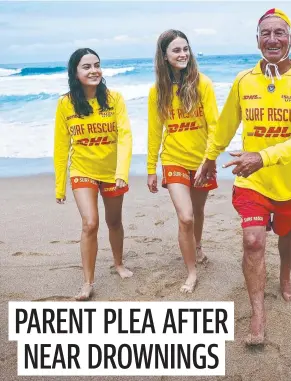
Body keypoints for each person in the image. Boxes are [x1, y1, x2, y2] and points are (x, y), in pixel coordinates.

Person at [196, 8, 291, 345]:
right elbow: (225, 125)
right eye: (266, 33)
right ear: (257, 40)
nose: (273, 39)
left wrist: (263, 157)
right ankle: (258, 318)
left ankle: (285, 277)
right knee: (253, 240)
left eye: (280, 33)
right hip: (251, 179)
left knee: (286, 230)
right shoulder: (243, 80)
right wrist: (209, 159)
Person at [54, 48, 133, 301]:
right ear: (75, 73)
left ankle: (118, 264)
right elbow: (60, 145)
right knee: (90, 223)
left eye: (96, 65)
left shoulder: (114, 99)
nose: (93, 70)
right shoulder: (65, 104)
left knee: (114, 222)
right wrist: (59, 186)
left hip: (111, 172)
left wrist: (122, 171)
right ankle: (87, 283)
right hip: (82, 170)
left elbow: (125, 136)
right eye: (86, 67)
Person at [147, 29, 219, 293]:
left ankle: (197, 247)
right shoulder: (158, 92)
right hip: (173, 159)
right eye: (176, 50)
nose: (183, 54)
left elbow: (214, 125)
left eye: (186, 49)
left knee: (198, 212)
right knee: (186, 217)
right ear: (164, 56)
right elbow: (154, 132)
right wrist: (151, 169)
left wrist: (209, 160)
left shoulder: (203, 84)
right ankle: (191, 272)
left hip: (201, 161)